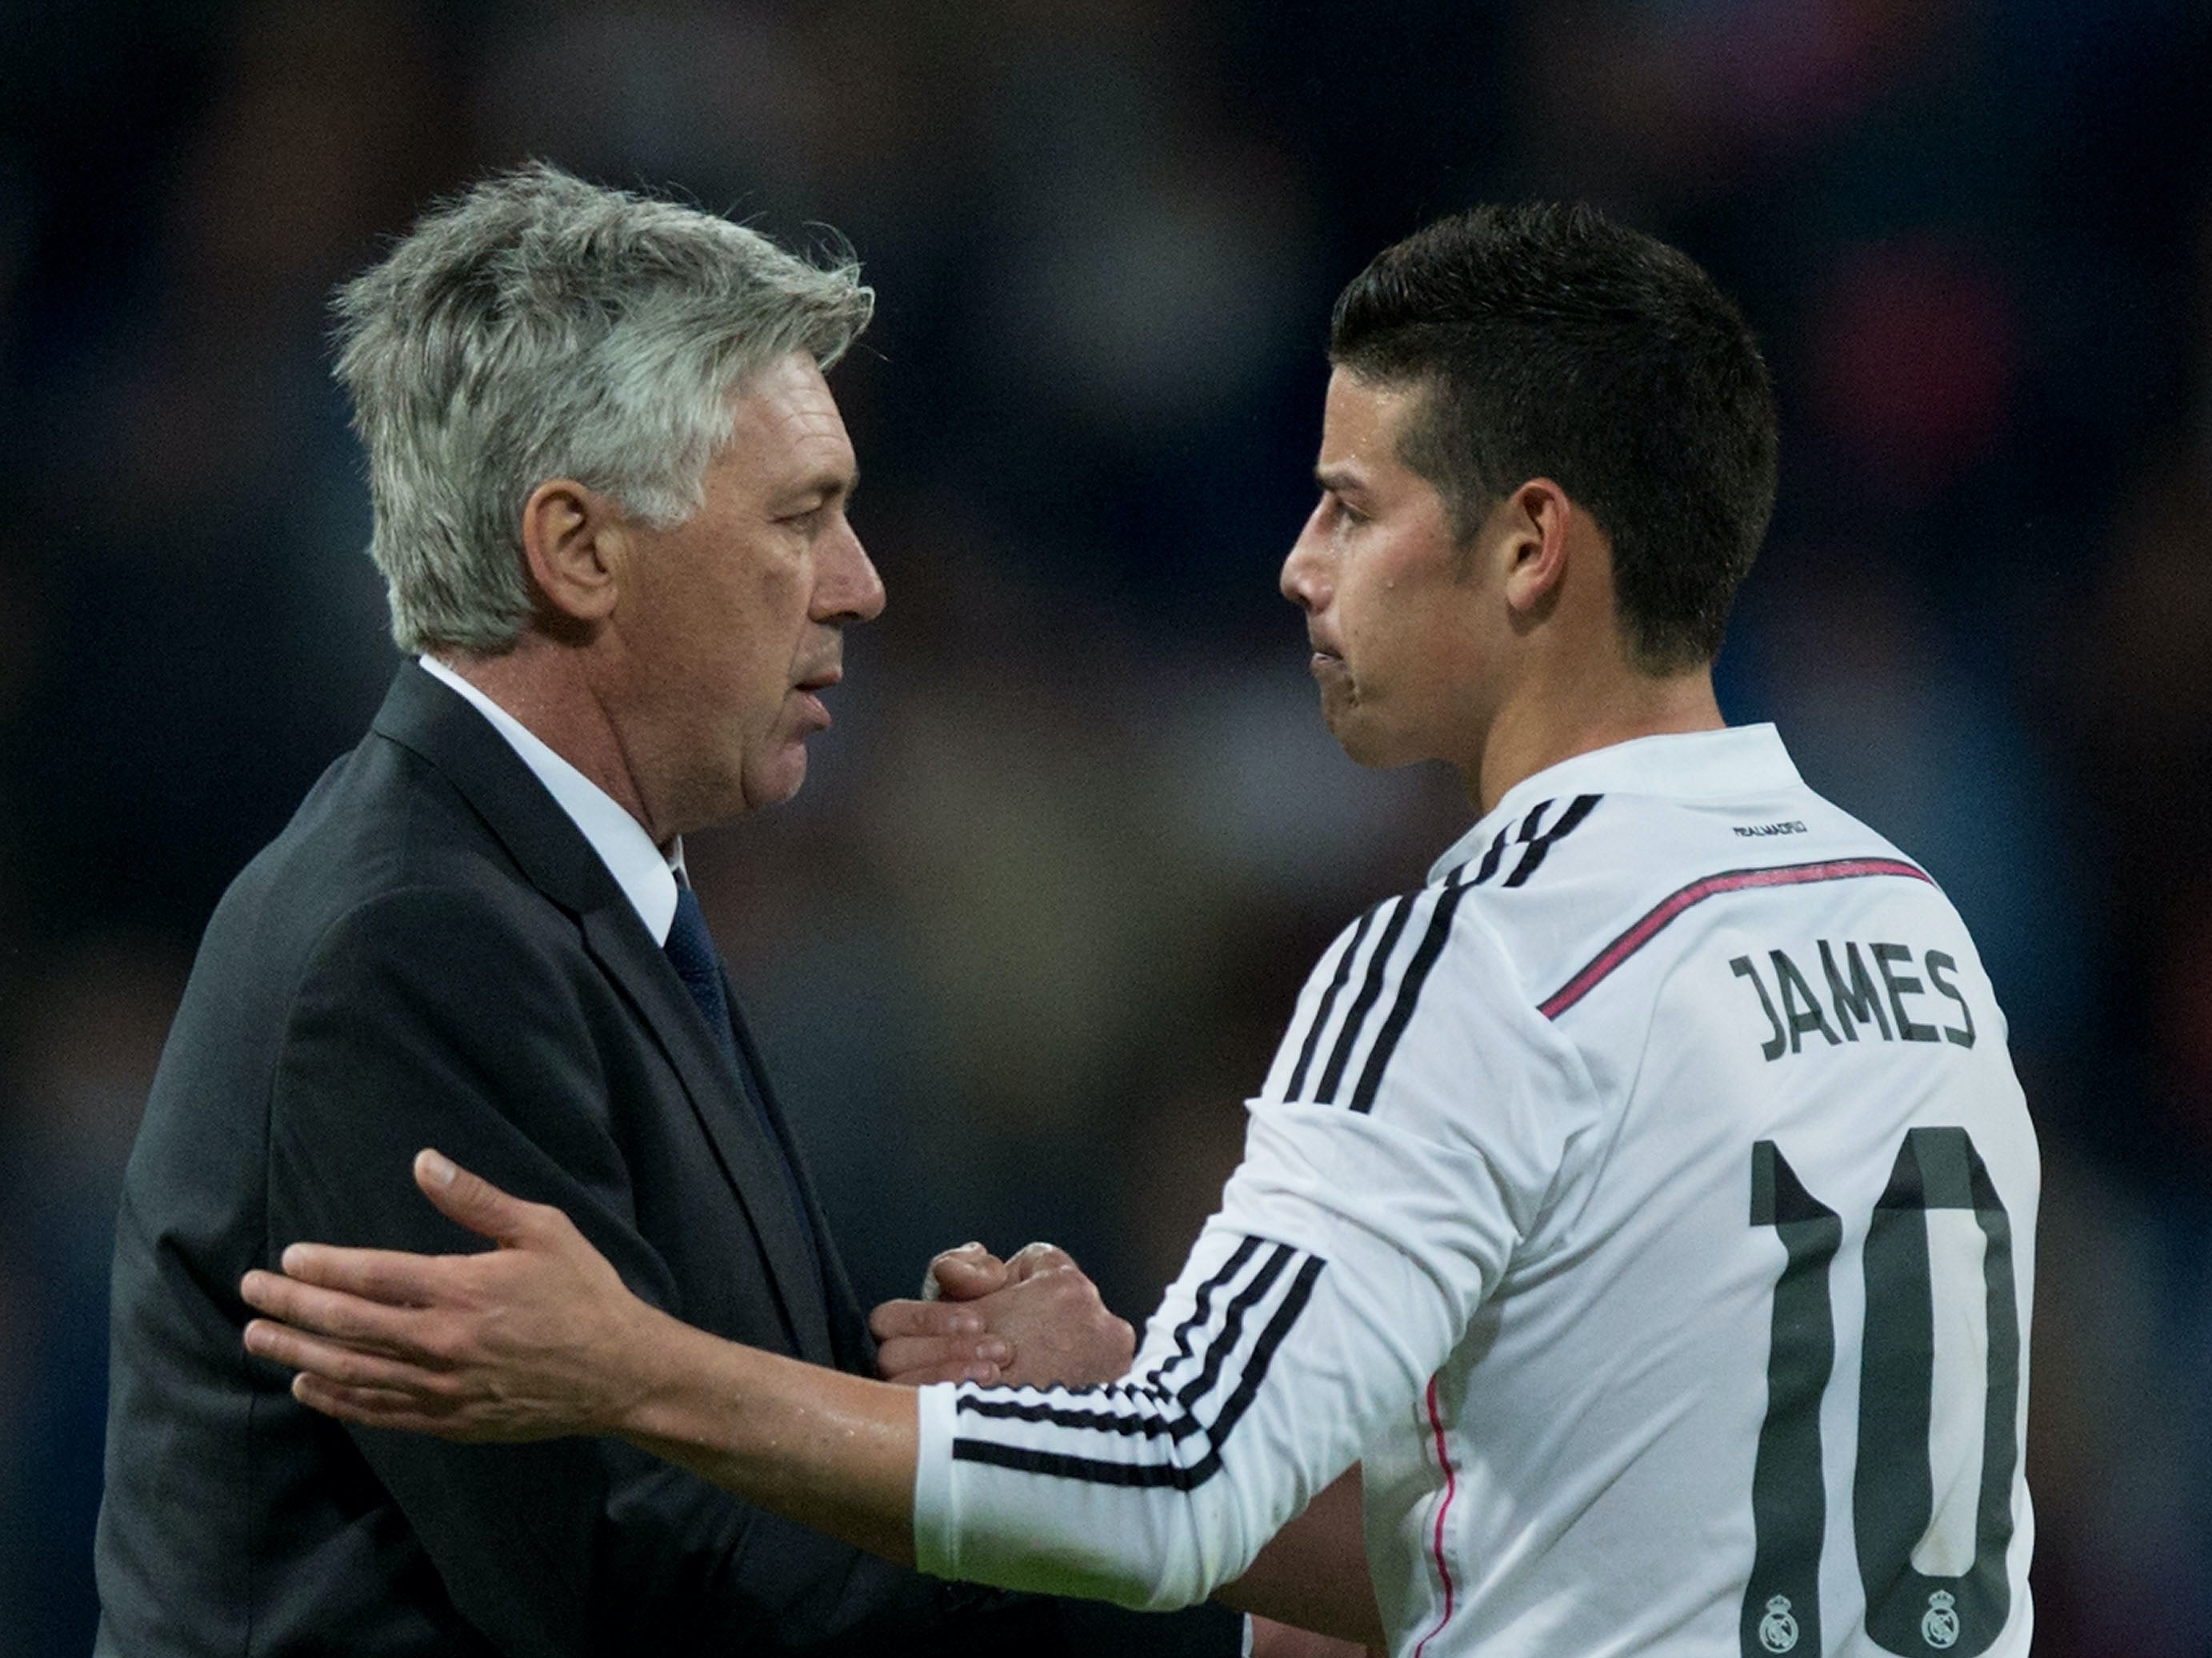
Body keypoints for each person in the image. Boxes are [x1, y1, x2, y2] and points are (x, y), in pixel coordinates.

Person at [239, 204, 2039, 1656]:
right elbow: (1586, 1542)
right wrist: (1124, 1379)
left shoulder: (1484, 951)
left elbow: (1171, 1492)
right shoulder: (1914, 926)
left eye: (1351, 504)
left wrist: (633, 1365)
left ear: (1530, 547)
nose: (1298, 567)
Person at [96, 163, 1247, 1656]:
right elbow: (635, 1589)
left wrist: (933, 1397)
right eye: (801, 517)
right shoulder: (408, 945)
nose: (862, 585)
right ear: (577, 550)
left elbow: (688, 1455)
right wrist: (1043, 1450)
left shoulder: (563, 895)